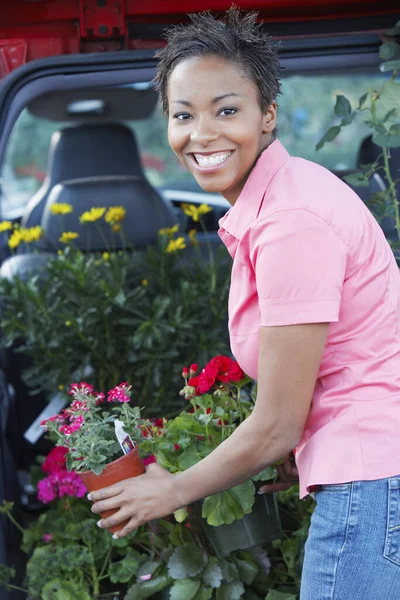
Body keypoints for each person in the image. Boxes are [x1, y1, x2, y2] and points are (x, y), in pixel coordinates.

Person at [89, 9, 400, 599]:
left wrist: (173, 489)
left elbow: (278, 422)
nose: (201, 134)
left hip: (372, 483)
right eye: (184, 115)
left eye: (226, 110)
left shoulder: (290, 221)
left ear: (268, 115)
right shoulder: (285, 200)